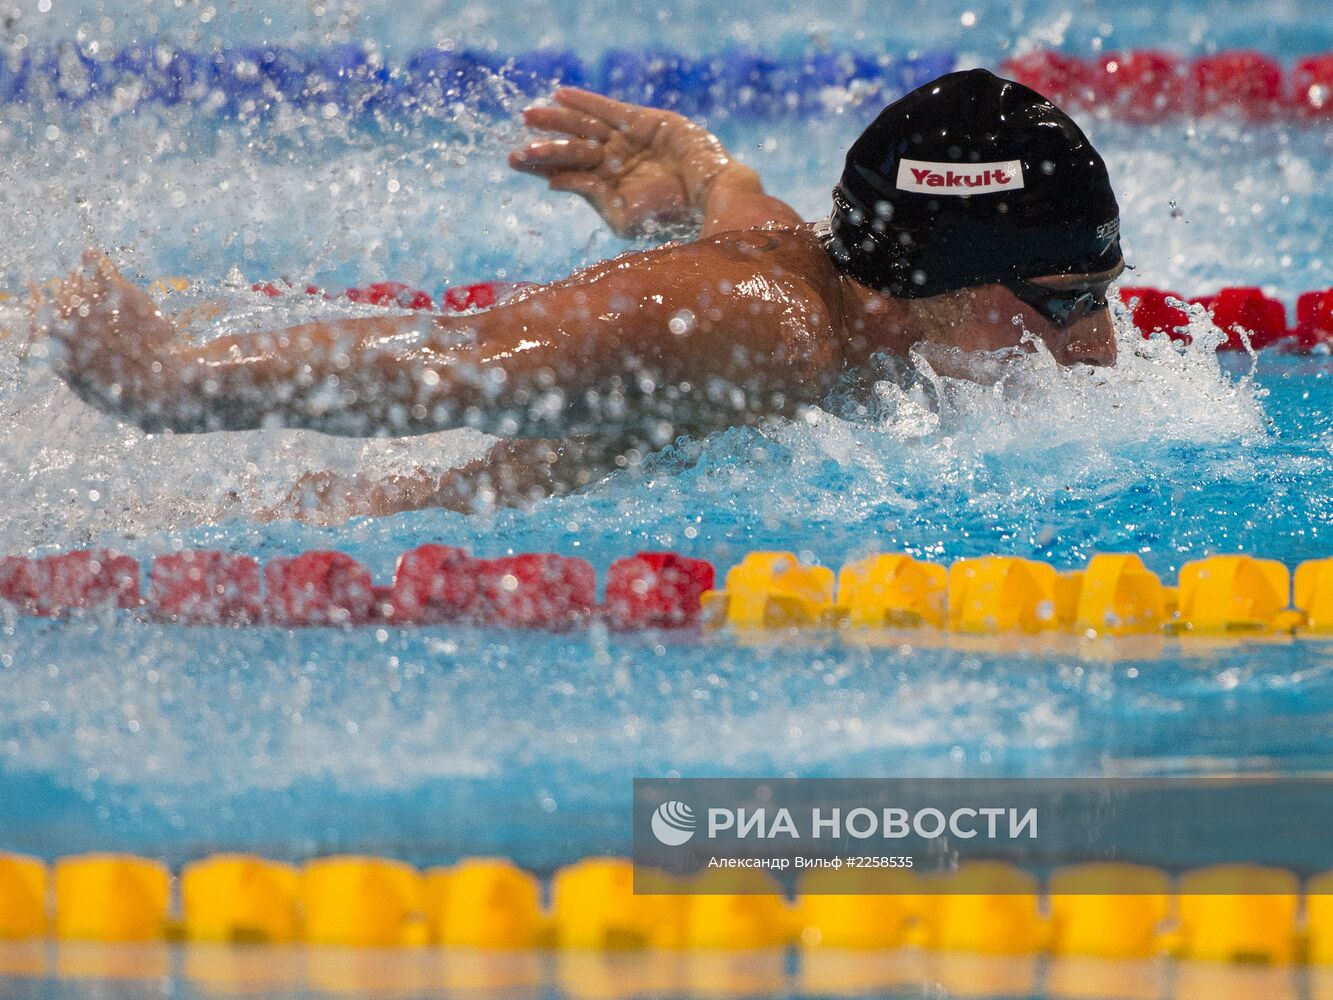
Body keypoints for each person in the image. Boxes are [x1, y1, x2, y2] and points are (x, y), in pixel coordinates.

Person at [35, 69, 1124, 522]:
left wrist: (692, 180)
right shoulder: (767, 322)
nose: (1101, 353)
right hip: (354, 526)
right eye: (1064, 303)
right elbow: (455, 360)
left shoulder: (846, 288)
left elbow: (745, 209)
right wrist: (172, 384)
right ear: (928, 282)